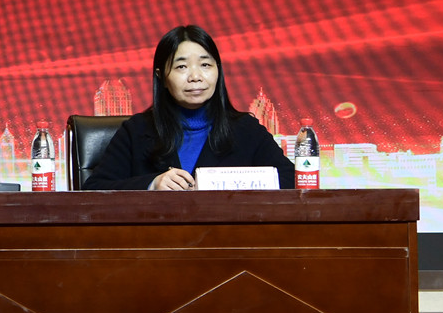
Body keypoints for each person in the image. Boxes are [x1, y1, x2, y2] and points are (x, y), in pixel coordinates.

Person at [83, 24, 297, 190]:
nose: (195, 76)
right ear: (161, 77)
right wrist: (152, 185)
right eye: (181, 67)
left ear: (218, 71)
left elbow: (290, 180)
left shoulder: (246, 129)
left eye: (205, 65)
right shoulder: (137, 130)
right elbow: (94, 189)